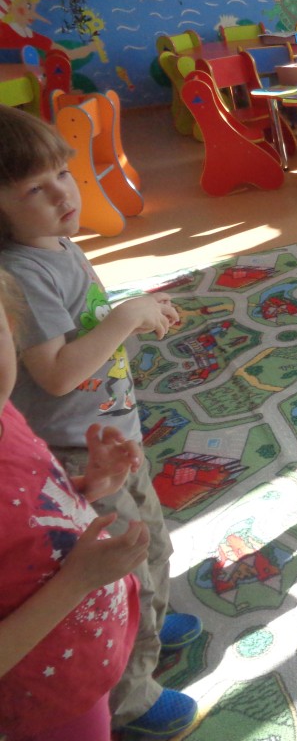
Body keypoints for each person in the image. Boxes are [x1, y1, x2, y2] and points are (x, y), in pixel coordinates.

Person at [0, 104, 200, 739]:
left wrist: (132, 318)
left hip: (112, 434)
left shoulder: (58, 244)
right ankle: (133, 698)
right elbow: (57, 374)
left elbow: (84, 333)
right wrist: (125, 317)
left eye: (62, 172)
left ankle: (147, 614)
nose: (64, 192)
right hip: (72, 452)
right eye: (35, 188)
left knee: (153, 542)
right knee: (122, 560)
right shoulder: (19, 273)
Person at [0, 267, 150, 741]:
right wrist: (79, 581)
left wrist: (87, 487)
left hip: (87, 645)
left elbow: (22, 513)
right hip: (48, 696)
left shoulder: (4, 411)